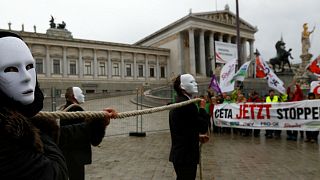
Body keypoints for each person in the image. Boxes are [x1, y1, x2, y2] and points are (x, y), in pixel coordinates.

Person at [0, 31, 117, 179]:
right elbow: (55, 172)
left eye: (30, 66)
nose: (27, 77)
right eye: (11, 69)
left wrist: (96, 123)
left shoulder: (21, 118)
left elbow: (61, 134)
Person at [58, 87, 113, 180]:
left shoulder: (66, 108)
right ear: (74, 96)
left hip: (68, 154)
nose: (83, 95)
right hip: (76, 155)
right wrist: (100, 123)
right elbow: (87, 134)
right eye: (81, 93)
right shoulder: (76, 110)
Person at [169, 74, 210, 180]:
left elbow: (185, 128)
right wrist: (202, 109)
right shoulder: (187, 105)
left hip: (180, 154)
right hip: (186, 156)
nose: (196, 84)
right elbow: (203, 127)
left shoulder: (178, 101)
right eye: (191, 82)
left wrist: (196, 137)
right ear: (182, 86)